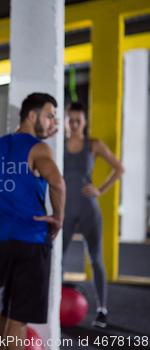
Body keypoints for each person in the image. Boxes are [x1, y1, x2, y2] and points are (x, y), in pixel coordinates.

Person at [0, 93, 66, 350]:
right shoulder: (39, 148)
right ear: (33, 116)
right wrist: (58, 218)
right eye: (50, 115)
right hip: (31, 239)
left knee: (6, 310)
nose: (53, 121)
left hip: (4, 240)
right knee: (19, 319)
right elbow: (57, 183)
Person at [63, 102, 124, 328]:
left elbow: (119, 168)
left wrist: (100, 189)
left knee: (96, 258)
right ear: (66, 120)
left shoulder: (93, 144)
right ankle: (54, 306)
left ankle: (102, 310)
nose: (75, 125)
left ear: (85, 122)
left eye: (79, 121)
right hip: (65, 208)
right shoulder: (57, 144)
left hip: (89, 207)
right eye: (71, 120)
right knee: (59, 258)